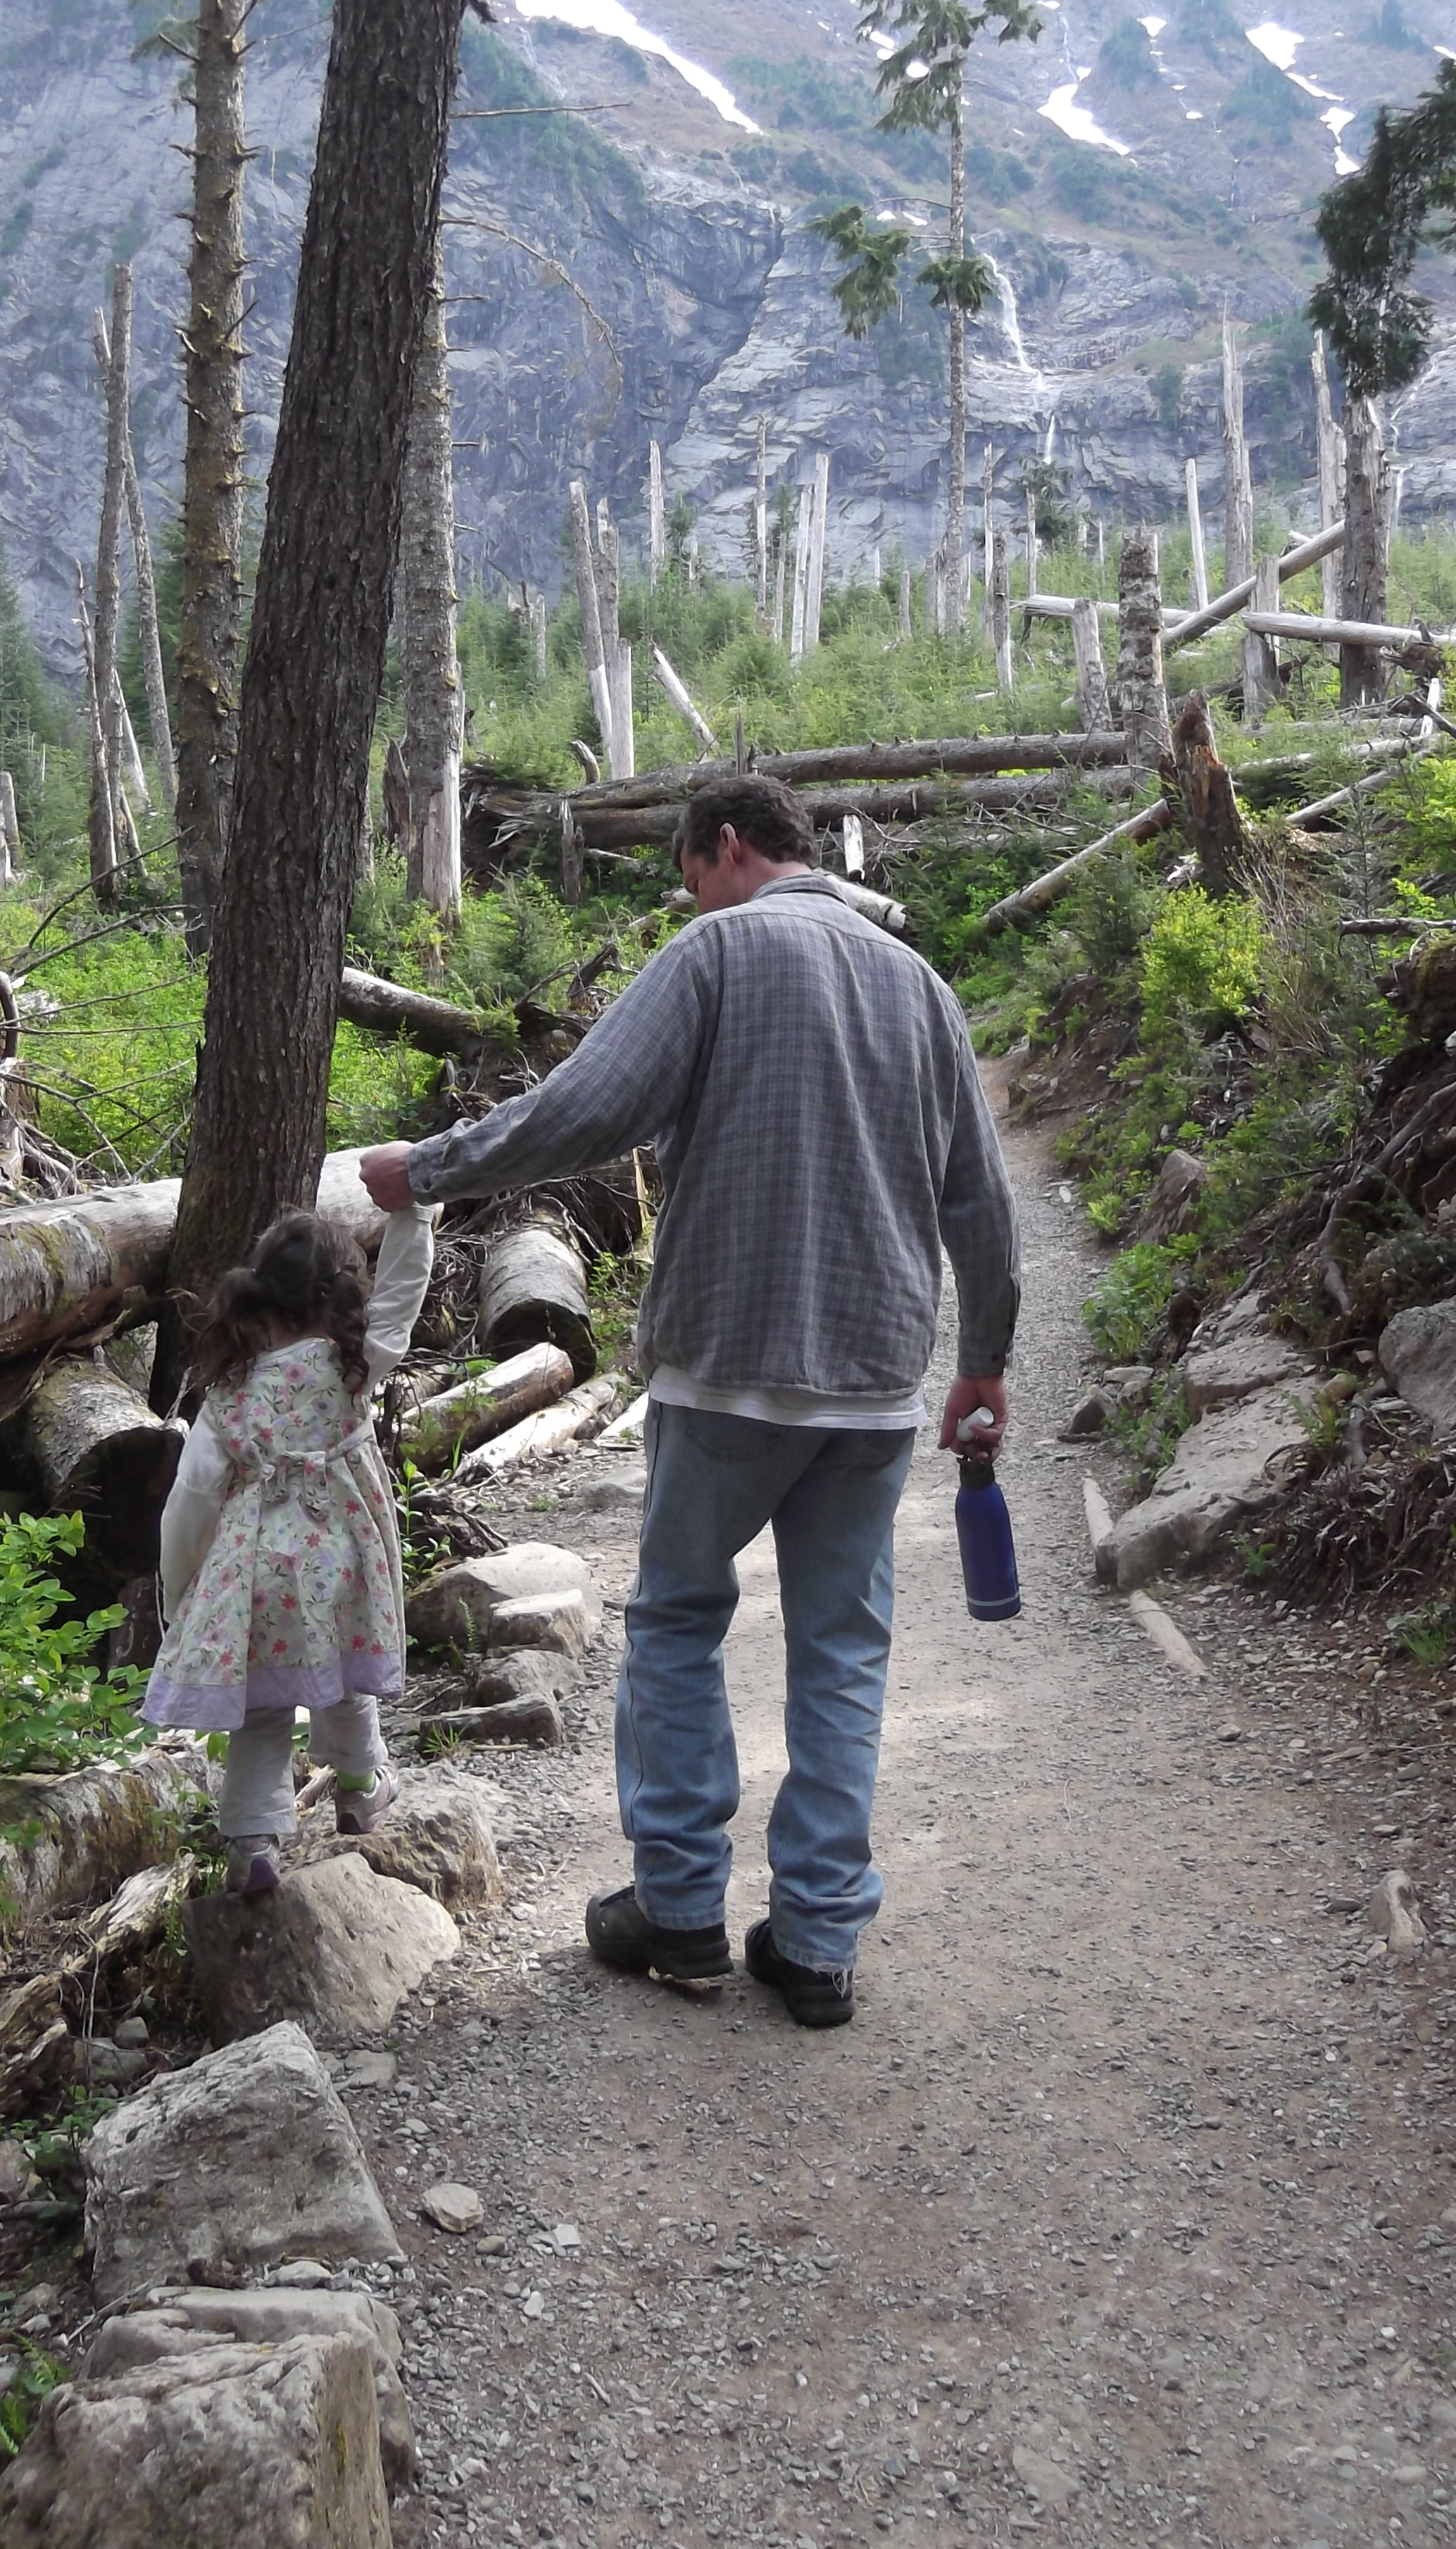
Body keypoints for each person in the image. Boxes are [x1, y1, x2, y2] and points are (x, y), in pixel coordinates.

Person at [360, 775, 1018, 2027]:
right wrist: (981, 1359)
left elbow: (581, 1110)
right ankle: (816, 1941)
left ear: (723, 847)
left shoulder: (715, 948)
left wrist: (424, 1167)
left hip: (724, 1362)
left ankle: (677, 1910)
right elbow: (977, 1200)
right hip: (874, 1379)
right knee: (840, 1648)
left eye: (685, 871)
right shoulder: (918, 984)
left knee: (673, 1623)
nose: (687, 894)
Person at [144, 1200, 436, 1896]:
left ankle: (254, 1841)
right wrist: (414, 1214)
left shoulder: (229, 1392)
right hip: (344, 1560)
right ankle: (362, 1790)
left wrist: (182, 1587)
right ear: (340, 1292)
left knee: (261, 1709)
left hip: (256, 1574)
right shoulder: (352, 1365)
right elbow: (401, 1296)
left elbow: (191, 1496)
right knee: (344, 1677)